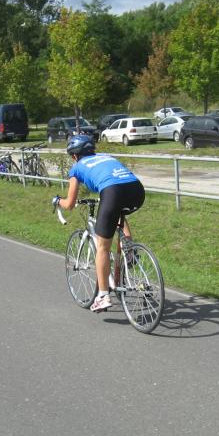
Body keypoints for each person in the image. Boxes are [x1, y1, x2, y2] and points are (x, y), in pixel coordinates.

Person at [52, 134, 145, 313]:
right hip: (136, 190)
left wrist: (57, 201)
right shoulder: (106, 157)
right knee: (119, 214)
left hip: (112, 192)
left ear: (74, 156)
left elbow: (70, 204)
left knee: (102, 247)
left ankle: (102, 296)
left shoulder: (77, 167)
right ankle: (129, 251)